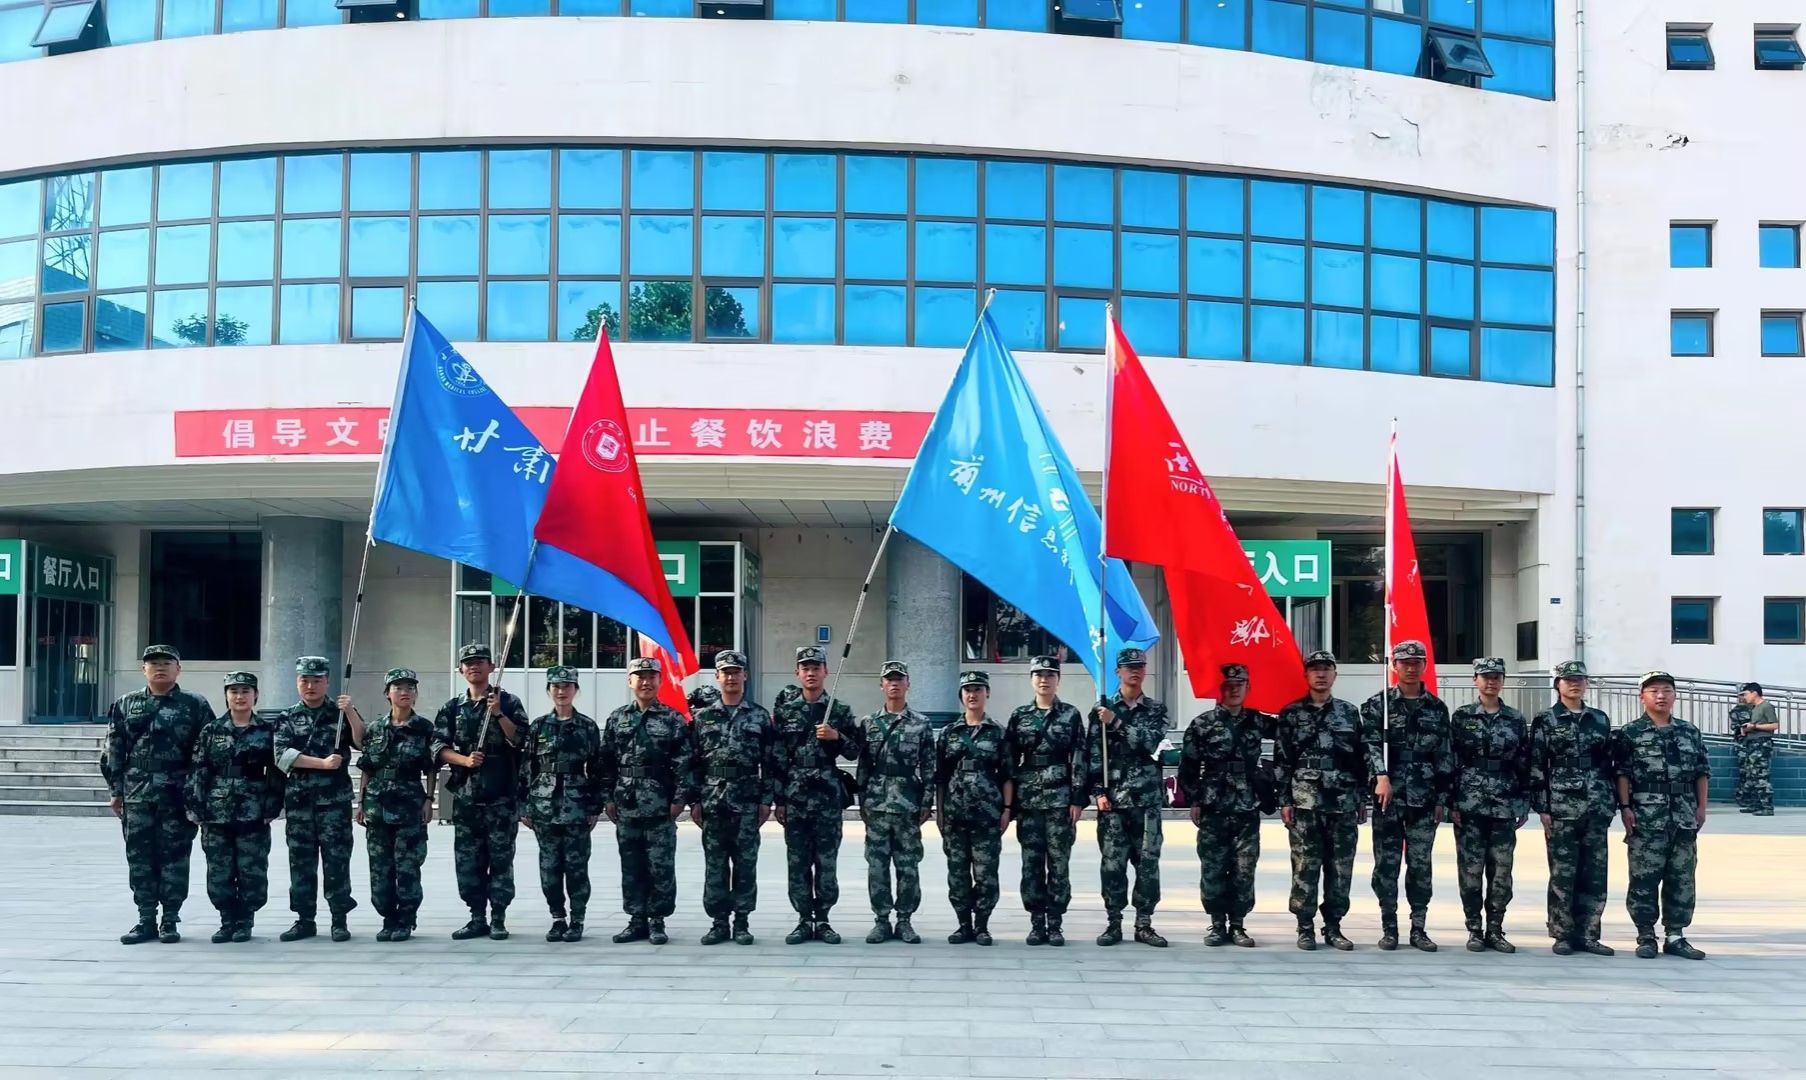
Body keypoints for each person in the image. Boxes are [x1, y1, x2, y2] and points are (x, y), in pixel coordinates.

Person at [103, 644, 216, 944]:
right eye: (153, 663)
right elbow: (113, 748)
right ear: (144, 669)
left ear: (179, 669)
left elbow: (207, 750)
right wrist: (116, 790)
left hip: (178, 792)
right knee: (139, 857)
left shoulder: (195, 704)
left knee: (175, 856)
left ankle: (170, 919)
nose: (160, 667)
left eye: (167, 662)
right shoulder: (126, 703)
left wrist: (199, 792)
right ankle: (145, 918)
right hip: (137, 792)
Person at [1274, 650, 1377, 951]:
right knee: (1305, 865)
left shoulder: (1349, 712)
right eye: (1315, 669)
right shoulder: (1291, 713)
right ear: (1306, 675)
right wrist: (1284, 800)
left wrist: (1362, 797)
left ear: (1335, 675)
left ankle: (1334, 926)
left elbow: (1361, 758)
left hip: (1343, 801)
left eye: (1326, 669)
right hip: (1305, 801)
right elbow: (1282, 759)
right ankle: (1304, 926)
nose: (1321, 674)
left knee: (1340, 867)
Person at [1361, 640, 1455, 952]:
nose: (1411, 668)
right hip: (1388, 796)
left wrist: (1441, 799)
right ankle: (1389, 927)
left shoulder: (1436, 708)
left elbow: (1444, 755)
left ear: (1424, 665)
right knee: (1386, 864)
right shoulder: (1379, 705)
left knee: (1420, 865)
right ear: (1394, 666)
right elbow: (1370, 744)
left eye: (1417, 662)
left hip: (1424, 797)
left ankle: (1418, 928)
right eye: (1405, 662)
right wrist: (1381, 776)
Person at [432, 642, 529, 942]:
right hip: (467, 798)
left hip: (501, 796)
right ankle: (476, 917)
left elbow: (522, 740)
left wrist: (498, 714)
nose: (474, 666)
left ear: (491, 667)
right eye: (468, 662)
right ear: (461, 669)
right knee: (468, 861)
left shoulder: (508, 702)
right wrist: (464, 760)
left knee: (501, 859)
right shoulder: (452, 708)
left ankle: (498, 917)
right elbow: (437, 747)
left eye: (480, 661)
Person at [1615, 671, 1711, 960]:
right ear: (1642, 697)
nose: (1661, 696)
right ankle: (1645, 935)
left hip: (1683, 814)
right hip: (1646, 815)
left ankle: (1675, 935)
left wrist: (1701, 807)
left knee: (1682, 877)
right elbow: (1622, 773)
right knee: (1644, 876)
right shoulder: (1630, 733)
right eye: (1654, 691)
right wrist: (1625, 807)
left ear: (1674, 695)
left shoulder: (1689, 731)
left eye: (1667, 690)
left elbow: (1701, 772)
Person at [771, 645, 862, 945]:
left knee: (826, 862)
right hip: (795, 796)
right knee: (797, 863)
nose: (811, 673)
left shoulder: (839, 710)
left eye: (816, 668)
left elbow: (855, 750)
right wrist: (779, 800)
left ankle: (822, 919)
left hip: (827, 796)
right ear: (797, 673)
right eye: (805, 668)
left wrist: (837, 736)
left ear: (826, 672)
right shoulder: (785, 712)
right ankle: (802, 919)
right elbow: (777, 759)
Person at [1177, 663, 1272, 948]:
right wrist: (1194, 799)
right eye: (1228, 686)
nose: (1234, 690)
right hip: (1213, 804)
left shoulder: (1258, 721)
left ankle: (1238, 924)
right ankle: (1218, 923)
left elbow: (1293, 735)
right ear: (1220, 690)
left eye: (1239, 685)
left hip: (1247, 804)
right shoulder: (1202, 723)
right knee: (1213, 866)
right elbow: (1188, 765)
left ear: (1248, 688)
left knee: (1245, 867)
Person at [600, 656, 694, 945]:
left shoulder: (672, 718)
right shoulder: (617, 718)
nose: (646, 682)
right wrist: (607, 797)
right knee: (631, 865)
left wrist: (679, 800)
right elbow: (606, 762)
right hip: (626, 803)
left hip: (659, 803)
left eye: (651, 677)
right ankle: (636, 919)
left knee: (660, 865)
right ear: (630, 681)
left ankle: (657, 920)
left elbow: (684, 762)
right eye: (640, 677)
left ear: (659, 681)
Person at [184, 671, 282, 944]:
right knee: (219, 869)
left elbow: (276, 773)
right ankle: (226, 920)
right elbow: (198, 769)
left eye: (245, 691)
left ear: (256, 696)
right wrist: (195, 806)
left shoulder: (267, 731)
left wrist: (272, 806)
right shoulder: (211, 730)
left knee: (252, 868)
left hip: (254, 810)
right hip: (216, 811)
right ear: (226, 696)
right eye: (234, 691)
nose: (240, 697)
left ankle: (245, 920)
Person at [689, 650, 779, 946]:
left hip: (747, 800)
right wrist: (694, 801)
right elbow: (692, 762)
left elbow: (771, 762)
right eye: (725, 672)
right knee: (715, 865)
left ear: (745, 676)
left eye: (736, 672)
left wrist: (766, 800)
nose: (731, 677)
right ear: (717, 676)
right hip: (713, 801)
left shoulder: (759, 716)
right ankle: (718, 922)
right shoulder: (702, 717)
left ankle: (742, 921)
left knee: (745, 865)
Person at [1529, 660, 1618, 956]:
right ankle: (1563, 934)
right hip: (1562, 806)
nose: (1574, 684)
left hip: (1596, 805)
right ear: (1558, 685)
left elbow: (1608, 763)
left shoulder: (1599, 719)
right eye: (1568, 680)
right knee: (1563, 873)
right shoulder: (1546, 719)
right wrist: (1543, 807)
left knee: (1595, 873)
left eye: (1579, 679)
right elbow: (1537, 764)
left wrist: (1610, 803)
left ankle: (1589, 933)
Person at [274, 656, 364, 943]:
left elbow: (363, 742)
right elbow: (281, 755)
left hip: (334, 802)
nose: (310, 686)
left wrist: (350, 713)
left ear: (327, 682)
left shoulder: (340, 713)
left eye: (317, 680)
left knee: (337, 861)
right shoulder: (287, 717)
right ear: (297, 682)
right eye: (305, 680)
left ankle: (339, 919)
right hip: (300, 802)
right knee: (301, 863)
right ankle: (304, 919)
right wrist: (322, 764)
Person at [1088, 648, 1170, 948]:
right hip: (1114, 801)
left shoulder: (1156, 709)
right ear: (1117, 672)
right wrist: (1098, 792)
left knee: (1148, 863)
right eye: (1128, 667)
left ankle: (1144, 923)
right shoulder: (1101, 710)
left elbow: (1150, 743)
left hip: (1146, 800)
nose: (1135, 671)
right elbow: (1093, 754)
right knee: (1113, 864)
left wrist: (1117, 723)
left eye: (1139, 666)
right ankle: (1113, 922)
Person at [1449, 657, 1530, 953]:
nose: (1491, 681)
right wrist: (1451, 802)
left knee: (1501, 872)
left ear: (1503, 681)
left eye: (1496, 677)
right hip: (1469, 804)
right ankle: (1474, 928)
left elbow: (1524, 762)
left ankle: (1495, 929)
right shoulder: (1462, 717)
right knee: (1470, 871)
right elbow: (1450, 760)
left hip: (1504, 803)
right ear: (1475, 680)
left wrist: (1523, 802)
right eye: (1485, 677)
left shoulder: (1515, 719)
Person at [1005, 655, 1086, 946]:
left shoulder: (1071, 715)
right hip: (1028, 802)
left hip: (1060, 801)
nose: (1044, 680)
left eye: (1050, 675)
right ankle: (1036, 922)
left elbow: (1079, 756)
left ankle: (1056, 923)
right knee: (1031, 864)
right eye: (1039, 675)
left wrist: (1077, 798)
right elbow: (1009, 761)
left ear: (1058, 680)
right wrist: (1010, 804)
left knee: (1059, 864)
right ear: (1031, 680)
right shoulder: (1019, 716)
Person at [519, 666, 605, 943]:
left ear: (576, 690)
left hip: (577, 807)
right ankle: (558, 918)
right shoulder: (538, 726)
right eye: (556, 686)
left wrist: (595, 807)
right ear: (549, 690)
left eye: (567, 686)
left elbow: (598, 769)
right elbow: (526, 767)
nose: (561, 691)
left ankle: (577, 919)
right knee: (549, 867)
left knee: (577, 867)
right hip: (544, 807)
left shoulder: (587, 727)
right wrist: (524, 805)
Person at [856, 661, 936, 945]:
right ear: (881, 685)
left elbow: (929, 766)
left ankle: (904, 920)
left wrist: (927, 801)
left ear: (907, 684)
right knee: (877, 866)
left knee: (908, 865)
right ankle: (881, 920)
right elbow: (863, 766)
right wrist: (862, 800)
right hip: (877, 804)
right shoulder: (868, 723)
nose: (894, 684)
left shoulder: (921, 723)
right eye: (889, 679)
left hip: (908, 803)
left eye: (899, 679)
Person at [356, 668, 436, 943]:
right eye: (398, 688)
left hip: (409, 805)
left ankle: (406, 919)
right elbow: (367, 767)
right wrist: (360, 802)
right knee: (380, 868)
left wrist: (429, 799)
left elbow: (431, 767)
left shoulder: (424, 728)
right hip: (377, 806)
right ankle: (387, 918)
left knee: (408, 866)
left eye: (410, 688)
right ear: (387, 694)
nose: (404, 692)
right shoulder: (375, 729)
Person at [937, 670, 1011, 946]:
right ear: (961, 695)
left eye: (978, 689)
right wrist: (940, 812)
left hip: (987, 815)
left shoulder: (998, 732)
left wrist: (1007, 809)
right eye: (968, 690)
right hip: (955, 815)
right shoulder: (949, 733)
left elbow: (1007, 774)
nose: (972, 695)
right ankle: (963, 924)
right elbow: (940, 777)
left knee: (986, 874)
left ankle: (982, 925)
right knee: (957, 874)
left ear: (987, 693)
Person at [1735, 682, 1779, 816]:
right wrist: (1747, 729)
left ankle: (1767, 807)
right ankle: (1756, 805)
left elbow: (1774, 725)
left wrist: (1755, 727)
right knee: (1751, 774)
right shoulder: (1754, 708)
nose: (1744, 697)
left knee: (1761, 775)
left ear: (1754, 693)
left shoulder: (1766, 706)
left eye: (1746, 694)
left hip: (1762, 743)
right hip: (1752, 743)